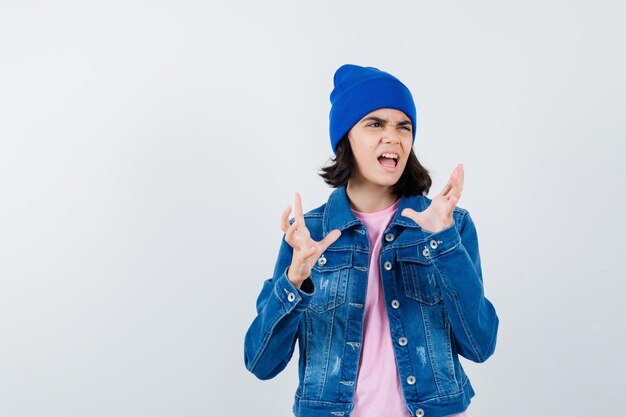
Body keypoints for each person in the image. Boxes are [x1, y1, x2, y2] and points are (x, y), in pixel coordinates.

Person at [243, 64, 499, 417]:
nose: (393, 137)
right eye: (375, 124)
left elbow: (480, 345)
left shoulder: (450, 225)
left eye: (403, 126)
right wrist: (295, 278)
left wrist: (444, 241)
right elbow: (261, 362)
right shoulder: (308, 233)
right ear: (346, 136)